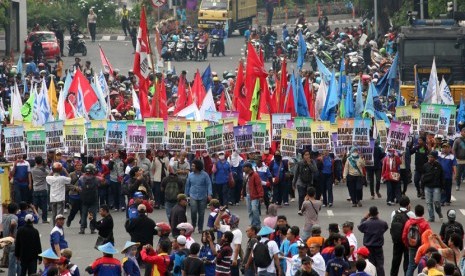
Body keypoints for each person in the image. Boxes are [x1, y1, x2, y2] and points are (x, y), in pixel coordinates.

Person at [357, 206, 388, 276]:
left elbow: (360, 227)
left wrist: (364, 218)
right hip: (378, 247)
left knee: (370, 265)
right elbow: (385, 228)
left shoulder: (366, 223)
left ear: (369, 214)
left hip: (368, 247)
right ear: (377, 213)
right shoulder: (382, 223)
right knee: (380, 266)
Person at [390, 195, 416, 276]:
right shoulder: (410, 214)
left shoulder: (394, 213)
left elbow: (392, 225)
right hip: (407, 241)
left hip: (396, 240)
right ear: (408, 204)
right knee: (407, 260)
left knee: (395, 260)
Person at [185, 159, 212, 233]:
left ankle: (200, 228)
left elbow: (209, 184)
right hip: (193, 195)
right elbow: (187, 186)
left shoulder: (205, 175)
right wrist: (185, 195)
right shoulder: (190, 175)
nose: (192, 167)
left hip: (203, 196)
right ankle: (193, 226)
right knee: (193, 211)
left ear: (197, 166)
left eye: (193, 166)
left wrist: (209, 193)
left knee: (201, 213)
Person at [403, 204, 431, 276]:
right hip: (422, 247)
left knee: (411, 265)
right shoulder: (425, 223)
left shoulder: (409, 222)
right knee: (423, 264)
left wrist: (408, 244)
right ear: (423, 213)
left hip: (412, 245)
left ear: (415, 212)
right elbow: (429, 236)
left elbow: (404, 235)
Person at [214, 211, 242, 276]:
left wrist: (235, 259)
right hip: (225, 257)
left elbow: (237, 246)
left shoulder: (238, 232)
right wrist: (220, 214)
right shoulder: (227, 227)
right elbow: (216, 224)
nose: (228, 219)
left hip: (232, 259)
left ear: (234, 221)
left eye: (230, 218)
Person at [422, 151, 444, 222]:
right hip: (427, 187)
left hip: (436, 187)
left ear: (435, 158)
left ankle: (439, 212)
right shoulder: (425, 165)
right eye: (429, 157)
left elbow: (442, 177)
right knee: (429, 203)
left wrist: (442, 187)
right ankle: (431, 217)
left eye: (431, 157)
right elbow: (422, 177)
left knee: (437, 202)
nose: (430, 158)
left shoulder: (439, 166)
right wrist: (422, 188)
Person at [78, 164, 99, 234]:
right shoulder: (96, 179)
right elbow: (100, 184)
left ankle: (82, 229)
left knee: (84, 214)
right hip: (93, 199)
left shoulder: (81, 178)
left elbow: (79, 187)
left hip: (84, 199)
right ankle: (92, 229)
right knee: (93, 214)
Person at [242, 162, 264, 228]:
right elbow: (244, 185)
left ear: (249, 167)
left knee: (254, 209)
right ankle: (253, 224)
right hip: (248, 195)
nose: (243, 169)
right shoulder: (246, 175)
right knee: (250, 211)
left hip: (254, 196)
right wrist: (242, 194)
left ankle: (257, 224)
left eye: (245, 167)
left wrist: (261, 196)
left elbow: (259, 186)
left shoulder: (255, 175)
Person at [31, 156, 49, 223]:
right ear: (42, 161)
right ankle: (44, 219)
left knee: (35, 206)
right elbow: (49, 173)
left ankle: (35, 219)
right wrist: (45, 165)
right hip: (43, 189)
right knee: (44, 205)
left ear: (35, 161)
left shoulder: (32, 170)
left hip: (35, 189)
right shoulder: (44, 170)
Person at [3, 203, 19, 276]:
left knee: (11, 260)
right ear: (16, 210)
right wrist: (12, 233)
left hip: (5, 240)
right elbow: (13, 223)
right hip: (12, 240)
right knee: (13, 262)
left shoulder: (4, 217)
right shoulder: (14, 217)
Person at [66, 161, 82, 228]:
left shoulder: (84, 174)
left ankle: (83, 221)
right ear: (75, 167)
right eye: (77, 165)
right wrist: (75, 188)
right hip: (73, 195)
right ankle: (69, 219)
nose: (79, 167)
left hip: (82, 194)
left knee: (83, 210)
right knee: (74, 210)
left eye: (80, 165)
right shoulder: (71, 174)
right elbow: (68, 184)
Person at [452, 126, 465, 191]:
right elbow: (454, 149)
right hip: (459, 160)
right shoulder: (457, 140)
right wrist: (454, 158)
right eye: (464, 132)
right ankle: (458, 185)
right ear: (461, 132)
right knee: (458, 174)